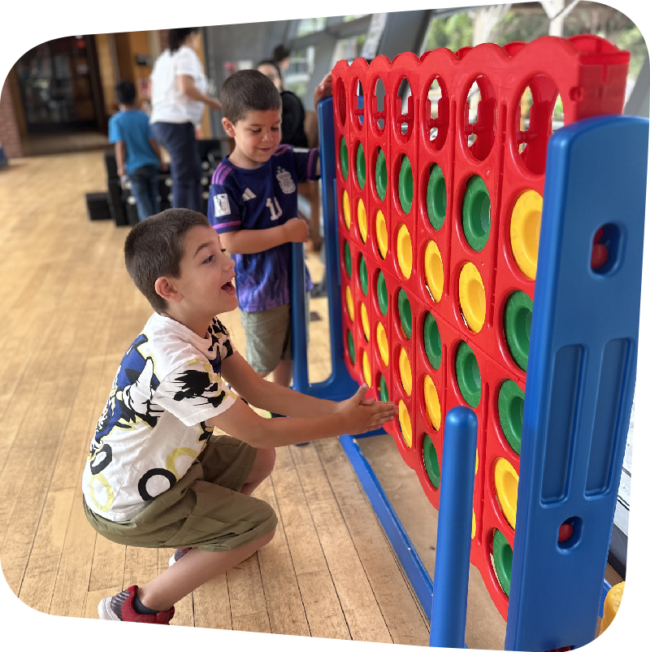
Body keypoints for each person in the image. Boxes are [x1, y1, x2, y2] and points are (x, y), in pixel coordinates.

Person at [84, 208, 398, 624]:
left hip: (165, 473)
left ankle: (203, 545)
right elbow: (259, 430)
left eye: (220, 249)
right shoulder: (176, 363)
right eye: (208, 258)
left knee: (259, 460)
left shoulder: (200, 323)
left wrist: (339, 410)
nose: (228, 260)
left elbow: (259, 390)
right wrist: (342, 425)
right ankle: (137, 607)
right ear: (170, 288)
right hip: (133, 504)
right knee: (261, 524)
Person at [207, 70, 329, 393]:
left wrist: (324, 107)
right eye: (256, 130)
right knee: (261, 364)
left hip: (294, 281)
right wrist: (285, 233)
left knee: (291, 353)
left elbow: (325, 159)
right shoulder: (225, 180)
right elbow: (230, 240)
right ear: (230, 128)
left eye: (274, 128)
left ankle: (282, 409)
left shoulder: (284, 157)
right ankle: (238, 409)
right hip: (260, 292)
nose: (268, 138)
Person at [150, 27, 221, 212]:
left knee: (192, 173)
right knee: (185, 176)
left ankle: (193, 218)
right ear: (192, 35)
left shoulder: (164, 57)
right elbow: (186, 87)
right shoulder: (186, 54)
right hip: (176, 123)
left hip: (162, 122)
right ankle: (182, 226)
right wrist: (211, 101)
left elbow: (152, 90)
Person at [257, 59, 323, 252]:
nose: (266, 83)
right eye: (261, 79)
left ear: (280, 80)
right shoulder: (260, 108)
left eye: (270, 78)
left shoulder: (288, 101)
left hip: (294, 160)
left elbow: (280, 139)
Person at [109, 81, 166, 222]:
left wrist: (120, 166)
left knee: (142, 201)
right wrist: (161, 160)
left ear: (117, 101)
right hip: (151, 164)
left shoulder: (116, 121)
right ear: (135, 99)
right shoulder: (144, 117)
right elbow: (153, 142)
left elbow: (120, 145)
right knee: (154, 197)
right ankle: (159, 226)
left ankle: (149, 232)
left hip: (134, 168)